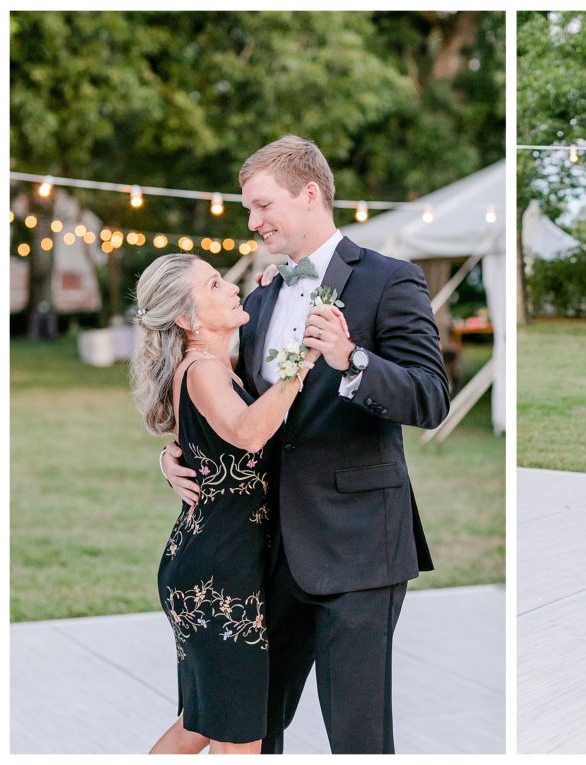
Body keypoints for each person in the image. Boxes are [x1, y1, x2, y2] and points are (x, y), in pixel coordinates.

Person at [161, 135, 450, 752]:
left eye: (262, 205)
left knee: (358, 737)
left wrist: (352, 360)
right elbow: (226, 402)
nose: (252, 220)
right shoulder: (259, 297)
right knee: (253, 728)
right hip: (264, 554)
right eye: (247, 209)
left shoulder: (388, 281)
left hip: (360, 546)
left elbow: (431, 396)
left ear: (310, 193)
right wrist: (177, 453)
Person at [131, 253, 319, 754]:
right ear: (186, 317)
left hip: (215, 561)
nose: (231, 288)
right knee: (238, 735)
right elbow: (250, 432)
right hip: (217, 572)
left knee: (203, 722)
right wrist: (302, 361)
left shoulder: (217, 368)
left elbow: (206, 446)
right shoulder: (200, 371)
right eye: (215, 284)